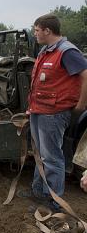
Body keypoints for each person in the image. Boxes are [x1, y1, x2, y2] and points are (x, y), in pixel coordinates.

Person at [24, 14, 87, 211]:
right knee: (40, 154)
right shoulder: (46, 51)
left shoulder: (67, 52)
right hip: (39, 110)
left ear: (47, 31)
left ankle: (54, 201)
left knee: (52, 157)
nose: (34, 34)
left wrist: (80, 105)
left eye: (36, 30)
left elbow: (86, 76)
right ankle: (38, 191)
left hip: (54, 113)